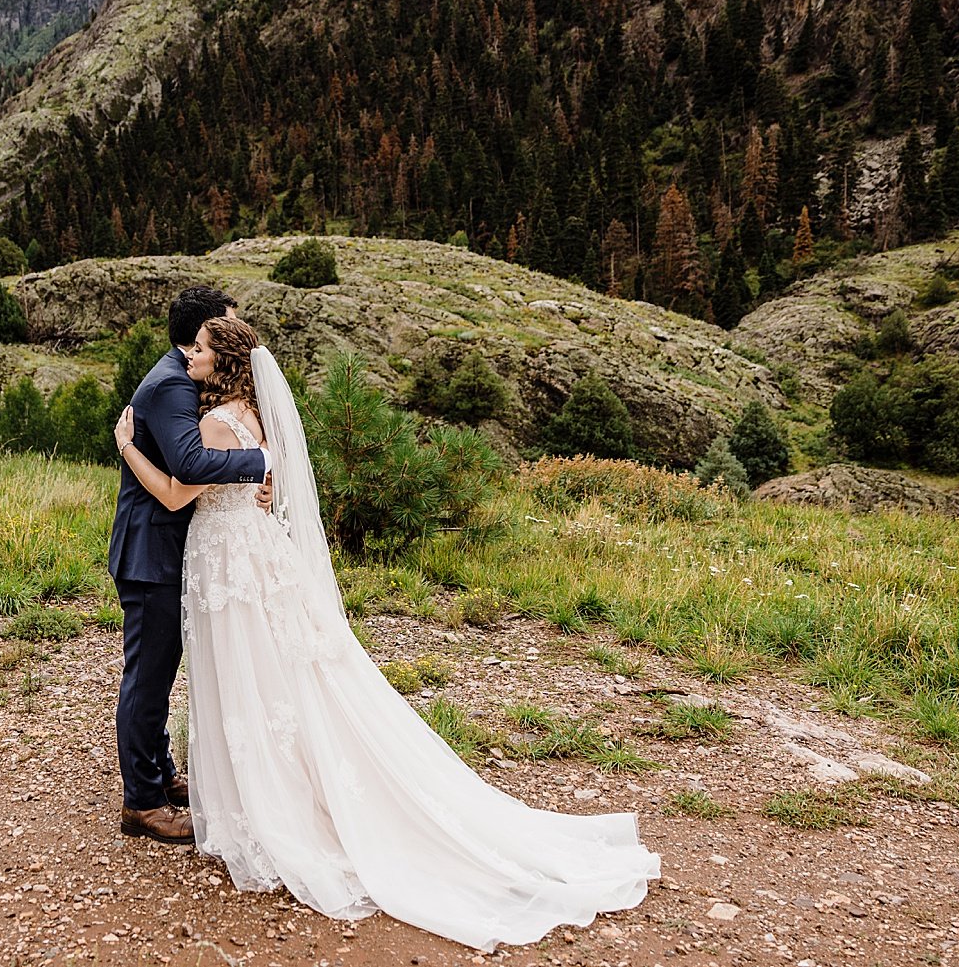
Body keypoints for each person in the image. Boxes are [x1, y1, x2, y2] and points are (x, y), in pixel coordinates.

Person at [113, 315, 660, 951]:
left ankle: (262, 798)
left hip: (229, 563)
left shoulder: (213, 423)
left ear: (224, 362)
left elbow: (180, 496)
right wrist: (256, 474)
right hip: (247, 556)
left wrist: (126, 446)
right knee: (272, 674)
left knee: (247, 675)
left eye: (201, 350)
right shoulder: (252, 419)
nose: (191, 357)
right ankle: (253, 781)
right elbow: (262, 478)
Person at [105, 286, 272, 846]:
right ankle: (143, 803)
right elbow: (190, 466)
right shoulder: (174, 383)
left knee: (164, 667)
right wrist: (268, 462)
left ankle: (161, 773)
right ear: (199, 333)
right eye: (222, 324)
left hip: (178, 549)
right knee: (149, 678)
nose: (230, 330)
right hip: (151, 552)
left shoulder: (191, 379)